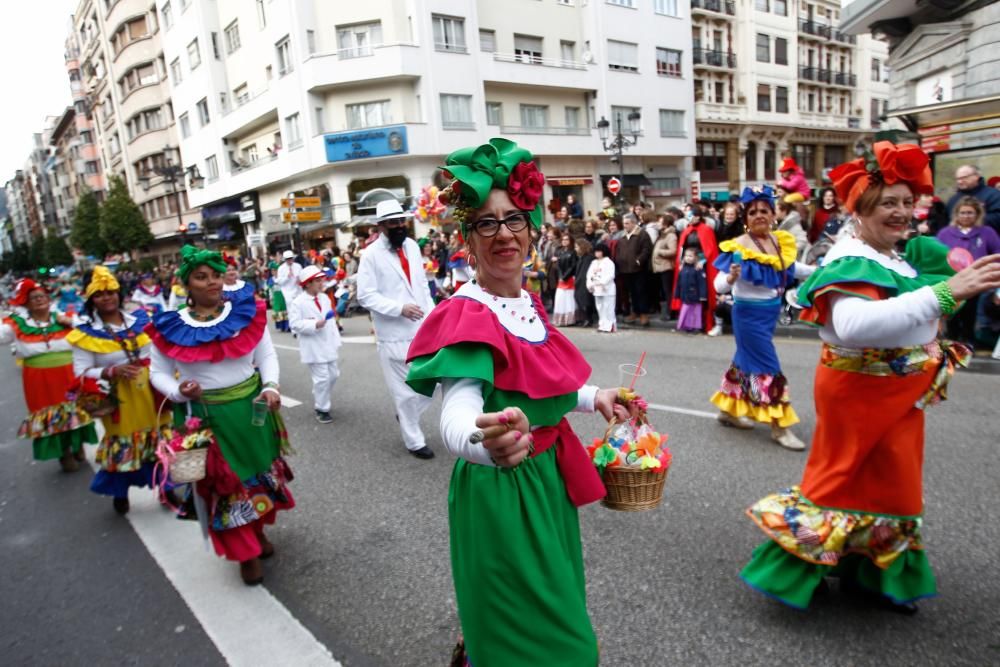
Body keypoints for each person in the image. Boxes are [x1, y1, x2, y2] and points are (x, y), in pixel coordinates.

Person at [740, 141, 1000, 614]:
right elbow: (853, 327)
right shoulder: (851, 259)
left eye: (907, 202)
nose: (902, 212)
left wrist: (956, 292)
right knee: (839, 485)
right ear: (859, 209)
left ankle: (871, 573)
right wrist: (945, 293)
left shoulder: (896, 257)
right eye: (888, 203)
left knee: (891, 485)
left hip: (900, 394)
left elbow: (914, 314)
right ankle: (802, 568)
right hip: (859, 395)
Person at [405, 138, 630, 665]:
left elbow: (537, 384)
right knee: (557, 644)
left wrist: (594, 395)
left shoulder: (524, 302)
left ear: (531, 229)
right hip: (503, 490)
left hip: (547, 480)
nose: (503, 233)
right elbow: (458, 414)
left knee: (548, 607)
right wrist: (489, 443)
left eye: (513, 220)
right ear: (467, 238)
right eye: (486, 222)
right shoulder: (469, 312)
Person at [147, 245, 293, 586]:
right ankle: (246, 553)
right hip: (205, 418)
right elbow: (158, 373)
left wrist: (270, 386)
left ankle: (256, 531)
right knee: (224, 483)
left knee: (259, 473)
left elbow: (267, 355)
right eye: (201, 277)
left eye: (215, 275)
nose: (212, 282)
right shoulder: (169, 326)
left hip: (251, 412)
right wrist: (178, 391)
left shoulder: (247, 313)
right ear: (185, 285)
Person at [710, 186, 815, 450]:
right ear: (746, 218)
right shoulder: (740, 246)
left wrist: (822, 270)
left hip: (769, 315)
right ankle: (780, 427)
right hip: (748, 317)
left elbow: (793, 268)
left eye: (764, 211)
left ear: (773, 215)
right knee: (769, 368)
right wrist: (730, 278)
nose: (759, 215)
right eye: (753, 212)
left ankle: (729, 411)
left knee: (743, 363)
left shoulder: (779, 241)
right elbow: (718, 285)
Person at [67, 267, 166, 515]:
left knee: (159, 439)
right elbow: (81, 372)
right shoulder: (85, 333)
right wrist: (112, 371)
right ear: (91, 299)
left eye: (111, 292)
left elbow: (156, 353)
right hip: (118, 398)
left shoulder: (139, 320)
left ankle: (166, 487)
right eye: (99, 294)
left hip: (150, 391)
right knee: (123, 443)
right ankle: (119, 491)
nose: (107, 297)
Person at [356, 199, 436, 459]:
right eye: (393, 223)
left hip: (423, 330)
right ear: (380, 226)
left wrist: (434, 316)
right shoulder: (369, 255)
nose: (400, 226)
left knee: (432, 383)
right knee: (405, 394)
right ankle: (414, 441)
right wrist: (399, 308)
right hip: (393, 334)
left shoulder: (412, 246)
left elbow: (422, 285)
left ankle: (405, 415)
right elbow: (365, 296)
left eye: (402, 221)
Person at [2, 279, 97, 472]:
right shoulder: (17, 324)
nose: (39, 300)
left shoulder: (63, 318)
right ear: (25, 303)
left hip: (68, 374)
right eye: (33, 298)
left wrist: (71, 322)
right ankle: (64, 452)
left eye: (42, 296)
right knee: (50, 415)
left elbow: (92, 328)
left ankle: (78, 445)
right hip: (38, 379)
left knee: (74, 410)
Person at [935, 196, 1000, 346]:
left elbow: (997, 252)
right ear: (956, 214)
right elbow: (937, 254)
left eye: (970, 213)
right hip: (951, 279)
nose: (966, 216)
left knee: (970, 313)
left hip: (977, 280)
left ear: (977, 214)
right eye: (962, 213)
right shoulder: (945, 233)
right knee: (952, 313)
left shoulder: (986, 232)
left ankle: (968, 341)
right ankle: (951, 341)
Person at [289, 265, 342, 423]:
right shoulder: (298, 302)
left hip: (328, 344)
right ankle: (322, 408)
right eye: (317, 281)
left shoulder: (324, 298)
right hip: (312, 345)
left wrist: (336, 339)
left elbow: (330, 321)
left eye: (322, 280)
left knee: (333, 375)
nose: (321, 283)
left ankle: (320, 394)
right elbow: (295, 324)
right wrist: (313, 325)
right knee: (322, 379)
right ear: (307, 284)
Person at [672, 208, 720, 332]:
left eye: (691, 216)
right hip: (688, 263)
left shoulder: (706, 230)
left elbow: (709, 249)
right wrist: (682, 261)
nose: (689, 218)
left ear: (698, 217)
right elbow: (682, 248)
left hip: (701, 266)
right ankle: (688, 323)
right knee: (688, 295)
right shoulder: (686, 231)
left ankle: (703, 322)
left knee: (701, 295)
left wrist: (702, 261)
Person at [615, 213, 654, 326]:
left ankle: (644, 313)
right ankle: (635, 312)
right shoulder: (622, 236)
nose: (625, 226)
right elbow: (619, 250)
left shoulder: (642, 234)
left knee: (641, 291)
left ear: (633, 223)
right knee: (632, 292)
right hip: (625, 269)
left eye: (627, 223)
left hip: (639, 269)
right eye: (624, 224)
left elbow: (646, 250)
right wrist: (619, 260)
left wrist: (639, 260)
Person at [946, 164, 1000, 234]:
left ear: (976, 176)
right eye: (958, 179)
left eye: (964, 178)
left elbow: (997, 217)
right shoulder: (953, 200)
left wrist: (973, 220)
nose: (960, 181)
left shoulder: (994, 195)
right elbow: (947, 222)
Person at [651, 214, 678, 321]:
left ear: (666, 223)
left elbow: (673, 251)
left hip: (666, 266)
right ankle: (668, 311)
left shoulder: (671, 235)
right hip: (660, 266)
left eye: (660, 222)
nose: (658, 224)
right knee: (665, 290)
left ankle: (671, 312)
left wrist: (659, 252)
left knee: (668, 291)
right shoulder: (662, 234)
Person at [674, 248, 707, 333]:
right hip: (685, 294)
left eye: (690, 256)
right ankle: (687, 326)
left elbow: (702, 283)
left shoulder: (698, 269)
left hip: (695, 294)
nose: (688, 258)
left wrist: (703, 295)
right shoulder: (682, 269)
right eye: (686, 256)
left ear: (695, 257)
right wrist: (677, 293)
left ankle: (696, 326)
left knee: (695, 311)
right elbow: (679, 282)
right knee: (686, 310)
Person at [587, 242, 617, 332]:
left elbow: (611, 275)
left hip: (607, 289)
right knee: (600, 307)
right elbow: (589, 275)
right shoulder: (593, 262)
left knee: (608, 307)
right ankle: (602, 325)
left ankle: (610, 326)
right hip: (596, 289)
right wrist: (590, 284)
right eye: (596, 251)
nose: (597, 253)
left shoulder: (609, 262)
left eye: (599, 251)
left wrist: (602, 282)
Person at [552, 232, 578, 326]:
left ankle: (570, 320)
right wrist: (561, 277)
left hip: (570, 278)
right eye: (563, 239)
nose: (564, 241)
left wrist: (565, 277)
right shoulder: (559, 251)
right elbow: (557, 266)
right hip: (561, 278)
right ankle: (560, 320)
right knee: (560, 298)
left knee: (569, 299)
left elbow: (573, 266)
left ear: (570, 241)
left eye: (567, 239)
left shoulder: (573, 252)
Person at [273, 250, 302, 332]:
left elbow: (302, 275)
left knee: (300, 307)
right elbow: (279, 281)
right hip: (287, 292)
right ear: (285, 260)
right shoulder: (281, 268)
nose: (290, 260)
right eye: (288, 259)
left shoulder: (298, 266)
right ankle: (294, 329)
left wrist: (300, 280)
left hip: (298, 290)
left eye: (291, 258)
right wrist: (287, 277)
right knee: (291, 309)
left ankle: (301, 325)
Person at [573, 237, 596, 327]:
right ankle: (584, 318)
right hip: (580, 283)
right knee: (581, 301)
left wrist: (578, 281)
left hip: (584, 283)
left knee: (586, 301)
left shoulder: (588, 258)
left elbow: (584, 272)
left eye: (577, 247)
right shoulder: (582, 257)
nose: (575, 249)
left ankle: (588, 319)